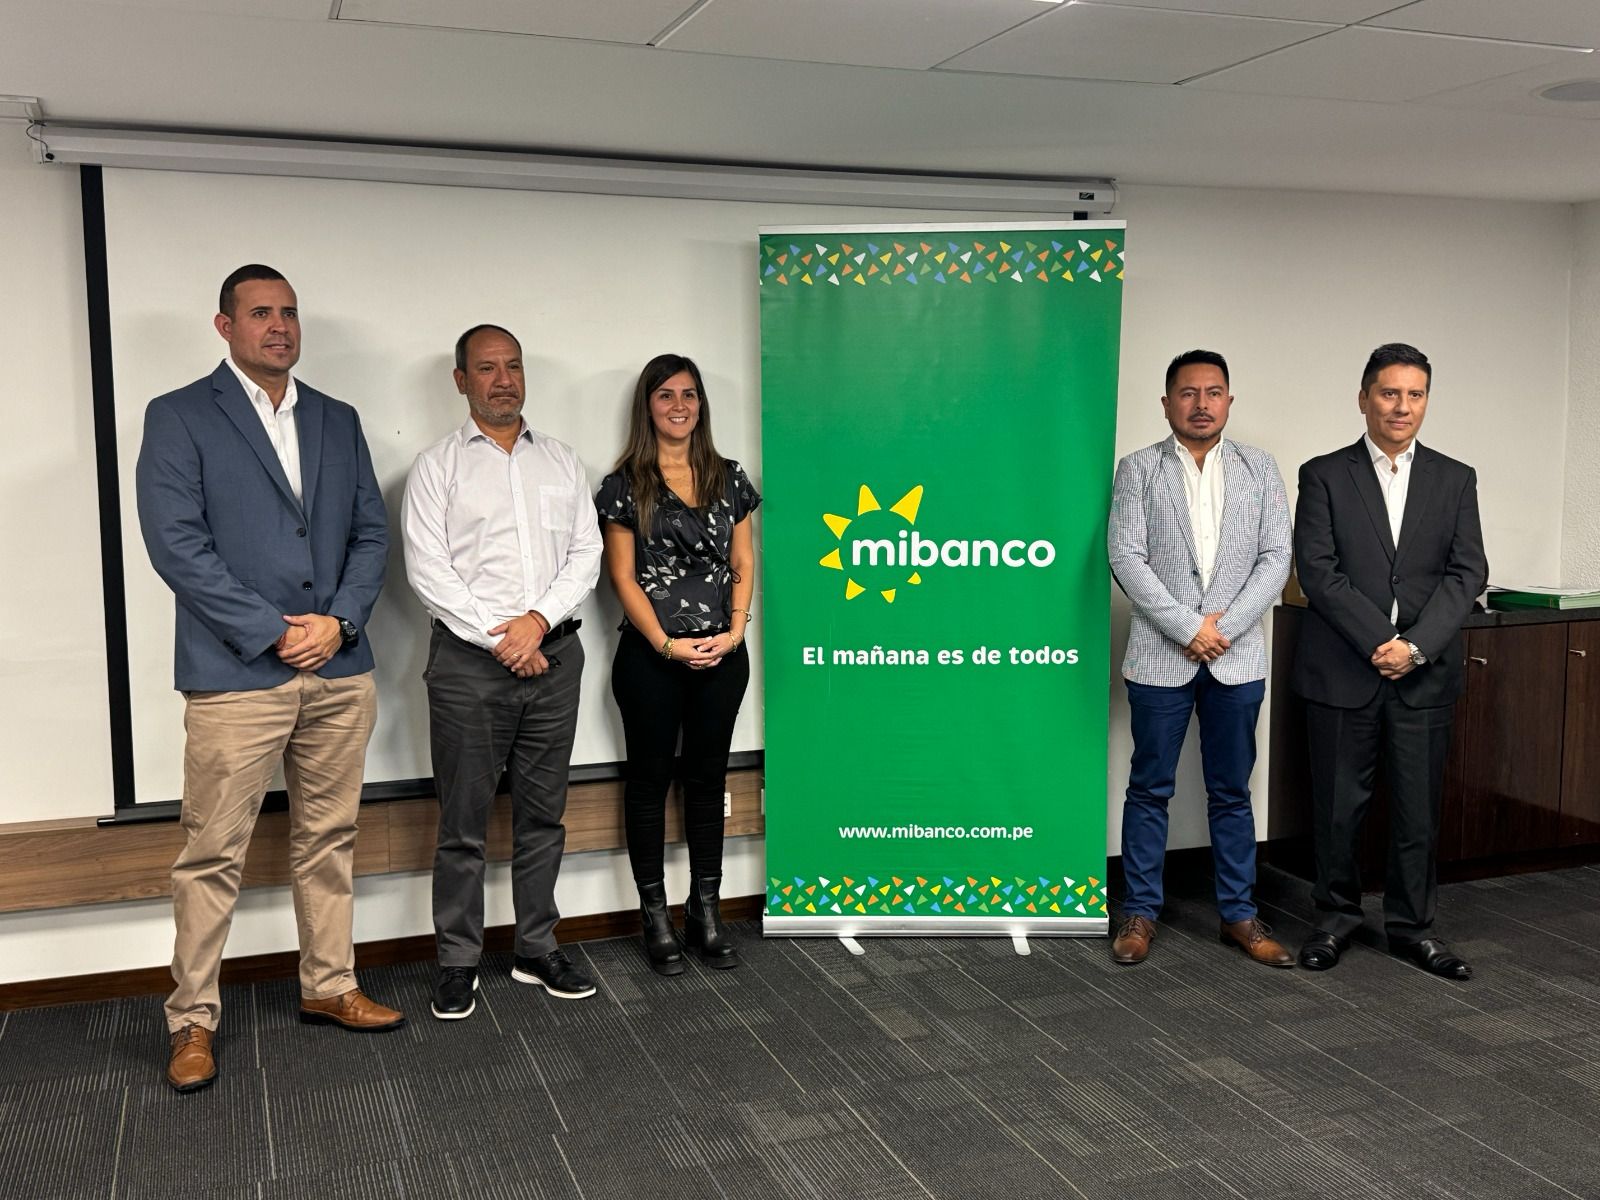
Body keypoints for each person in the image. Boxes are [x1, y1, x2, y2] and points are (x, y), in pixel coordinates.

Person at [136, 264, 402, 1095]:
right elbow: (176, 544)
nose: (279, 325)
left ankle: (329, 985)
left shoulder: (336, 417)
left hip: (339, 667)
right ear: (226, 326)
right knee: (212, 851)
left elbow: (370, 533)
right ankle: (191, 1019)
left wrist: (340, 622)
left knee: (330, 837)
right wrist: (272, 632)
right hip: (235, 673)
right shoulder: (179, 415)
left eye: (288, 312)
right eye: (260, 313)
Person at [402, 324, 603, 1020]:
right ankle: (457, 960)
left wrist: (537, 622)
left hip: (555, 659)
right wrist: (505, 637)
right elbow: (429, 570)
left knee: (544, 817)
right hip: (469, 666)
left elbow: (585, 554)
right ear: (462, 380)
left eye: (513, 366)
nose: (503, 379)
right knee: (462, 822)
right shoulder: (436, 467)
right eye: (486, 368)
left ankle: (536, 947)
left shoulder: (563, 461)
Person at [1292, 343, 1487, 979]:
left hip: (1423, 675)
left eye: (1415, 394)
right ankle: (1335, 919)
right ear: (1364, 398)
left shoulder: (1455, 478)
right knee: (1337, 809)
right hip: (1344, 669)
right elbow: (1318, 572)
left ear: (1426, 401)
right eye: (1389, 393)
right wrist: (1384, 642)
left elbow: (1467, 572)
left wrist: (1416, 647)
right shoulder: (1323, 474)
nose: (1402, 406)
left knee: (1417, 813)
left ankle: (1412, 928)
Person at [1106, 350, 1294, 968]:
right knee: (1148, 787)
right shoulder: (1138, 469)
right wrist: (1189, 627)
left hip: (1236, 660)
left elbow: (1276, 557)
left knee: (1232, 791)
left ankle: (1239, 915)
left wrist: (1223, 630)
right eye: (1188, 393)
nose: (1202, 404)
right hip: (1160, 656)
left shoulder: (1260, 468)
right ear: (1167, 403)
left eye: (1214, 392)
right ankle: (1139, 912)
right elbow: (1126, 556)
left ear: (1229, 401)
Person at [596, 354, 759, 974]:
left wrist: (735, 631)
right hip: (652, 660)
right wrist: (668, 645)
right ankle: (655, 916)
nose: (679, 406)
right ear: (648, 405)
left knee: (707, 781)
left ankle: (705, 911)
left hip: (723, 655)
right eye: (666, 395)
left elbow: (743, 561)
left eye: (689, 394)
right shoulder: (624, 484)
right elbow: (621, 577)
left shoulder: (728, 476)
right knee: (648, 782)